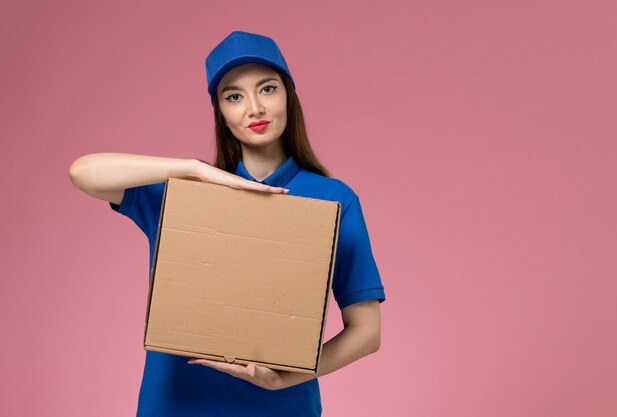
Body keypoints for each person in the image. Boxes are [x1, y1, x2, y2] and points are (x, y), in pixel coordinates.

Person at [68, 30, 386, 417]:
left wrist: (286, 378)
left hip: (281, 406)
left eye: (267, 89)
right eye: (233, 96)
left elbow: (367, 332)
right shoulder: (186, 195)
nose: (254, 108)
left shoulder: (335, 199)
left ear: (288, 95)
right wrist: (192, 170)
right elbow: (83, 172)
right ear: (220, 111)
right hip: (176, 404)